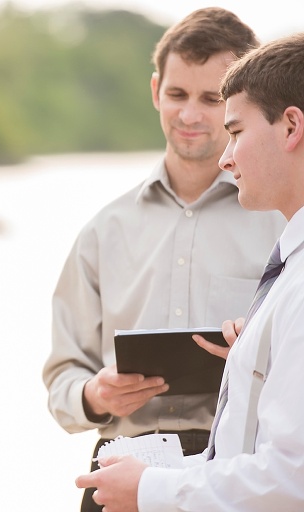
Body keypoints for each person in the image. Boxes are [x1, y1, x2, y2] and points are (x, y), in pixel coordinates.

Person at [41, 8, 287, 511]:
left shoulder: (283, 224)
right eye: (177, 94)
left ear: (241, 101)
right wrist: (95, 395)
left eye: (211, 99)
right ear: (156, 91)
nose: (190, 115)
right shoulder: (104, 230)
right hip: (119, 469)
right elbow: (62, 374)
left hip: (235, 474)